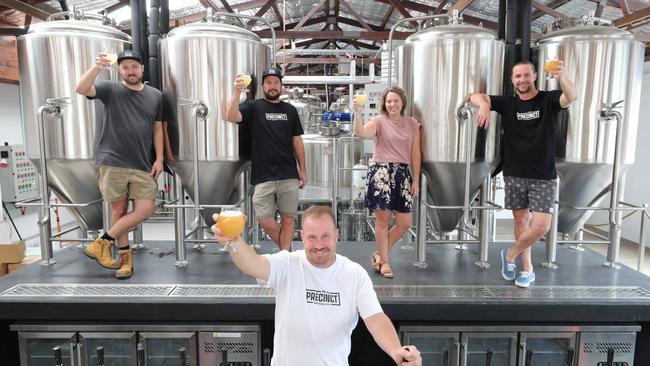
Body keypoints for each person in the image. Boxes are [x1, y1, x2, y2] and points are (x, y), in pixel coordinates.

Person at [211, 205, 422, 366]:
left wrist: (395, 350)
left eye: (325, 236)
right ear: (302, 237)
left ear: (337, 235)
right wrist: (234, 241)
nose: (319, 244)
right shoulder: (288, 263)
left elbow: (376, 318)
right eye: (312, 237)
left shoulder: (354, 274)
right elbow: (253, 265)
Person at [467, 60, 578, 288]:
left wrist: (562, 76)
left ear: (535, 76)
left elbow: (572, 96)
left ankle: (509, 254)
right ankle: (527, 269)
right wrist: (485, 106)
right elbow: (473, 96)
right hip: (515, 172)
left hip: (543, 174)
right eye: (517, 76)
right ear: (512, 80)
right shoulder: (508, 103)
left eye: (526, 75)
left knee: (541, 226)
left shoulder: (548, 100)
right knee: (521, 221)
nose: (522, 80)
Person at [75, 50, 163, 279]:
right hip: (112, 160)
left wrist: (160, 158)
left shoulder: (155, 95)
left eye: (134, 66)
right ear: (119, 70)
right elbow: (81, 89)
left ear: (142, 68)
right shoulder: (110, 89)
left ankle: (101, 243)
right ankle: (125, 261)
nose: (130, 71)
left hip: (142, 162)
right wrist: (96, 67)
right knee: (119, 211)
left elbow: (157, 128)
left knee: (146, 209)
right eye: (125, 67)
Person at [225, 67, 307, 251]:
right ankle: (289, 252)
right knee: (266, 221)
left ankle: (286, 260)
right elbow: (230, 116)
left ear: (281, 86)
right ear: (262, 85)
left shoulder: (290, 110)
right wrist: (237, 91)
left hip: (288, 174)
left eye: (276, 82)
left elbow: (297, 142)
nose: (273, 86)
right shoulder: (253, 107)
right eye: (268, 82)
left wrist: (303, 169)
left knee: (288, 219)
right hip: (263, 176)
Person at [352, 86, 421, 279]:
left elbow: (416, 153)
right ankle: (385, 262)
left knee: (405, 223)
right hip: (381, 172)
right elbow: (362, 133)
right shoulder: (379, 121)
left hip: (402, 173)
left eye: (395, 101)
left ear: (403, 103)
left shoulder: (412, 124)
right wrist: (357, 114)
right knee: (382, 221)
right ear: (384, 104)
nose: (392, 104)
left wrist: (415, 178)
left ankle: (379, 255)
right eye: (389, 101)